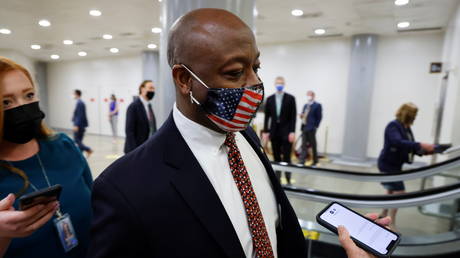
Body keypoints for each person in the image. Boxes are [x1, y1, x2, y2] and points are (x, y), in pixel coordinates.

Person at [88, 9, 390, 258]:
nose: (254, 85)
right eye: (234, 73)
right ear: (183, 79)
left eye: (256, 67)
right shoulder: (123, 189)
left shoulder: (246, 138)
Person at [0, 57, 93, 257]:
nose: (23, 107)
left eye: (29, 95)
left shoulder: (63, 146)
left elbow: (96, 204)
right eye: (6, 102)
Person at [378, 103, 434, 229]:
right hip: (388, 164)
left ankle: (384, 214)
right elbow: (397, 142)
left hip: (396, 164)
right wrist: (420, 144)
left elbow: (409, 145)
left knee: (391, 191)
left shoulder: (406, 127)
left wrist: (423, 151)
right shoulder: (393, 125)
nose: (415, 117)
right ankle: (391, 221)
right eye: (414, 115)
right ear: (407, 114)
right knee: (400, 193)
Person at [262, 76, 296, 184]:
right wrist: (266, 132)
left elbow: (293, 117)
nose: (279, 84)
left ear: (284, 84)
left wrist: (292, 132)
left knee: (286, 157)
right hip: (274, 132)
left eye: (281, 83)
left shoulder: (290, 98)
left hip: (286, 132)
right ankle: (277, 180)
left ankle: (288, 179)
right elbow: (267, 117)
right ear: (275, 84)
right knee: (276, 157)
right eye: (278, 83)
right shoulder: (270, 99)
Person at [123, 80, 156, 154]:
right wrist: (135, 152)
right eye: (150, 88)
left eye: (153, 88)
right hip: (136, 150)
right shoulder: (133, 107)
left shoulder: (149, 106)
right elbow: (129, 132)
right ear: (142, 89)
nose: (153, 91)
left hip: (147, 148)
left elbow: (152, 127)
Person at [298, 90, 322, 166]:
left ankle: (315, 160)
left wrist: (315, 126)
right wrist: (301, 116)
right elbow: (303, 115)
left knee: (313, 144)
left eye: (310, 95)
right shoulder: (305, 105)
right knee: (303, 144)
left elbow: (319, 117)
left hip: (311, 127)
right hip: (304, 127)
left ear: (313, 96)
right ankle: (302, 160)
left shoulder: (317, 105)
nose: (308, 96)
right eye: (307, 95)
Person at [72, 89, 93, 157]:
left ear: (77, 94)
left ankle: (88, 149)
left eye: (73, 94)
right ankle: (80, 155)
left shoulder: (80, 103)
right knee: (79, 141)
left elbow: (80, 115)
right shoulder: (79, 102)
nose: (72, 95)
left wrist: (76, 125)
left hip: (79, 125)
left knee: (76, 140)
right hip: (80, 125)